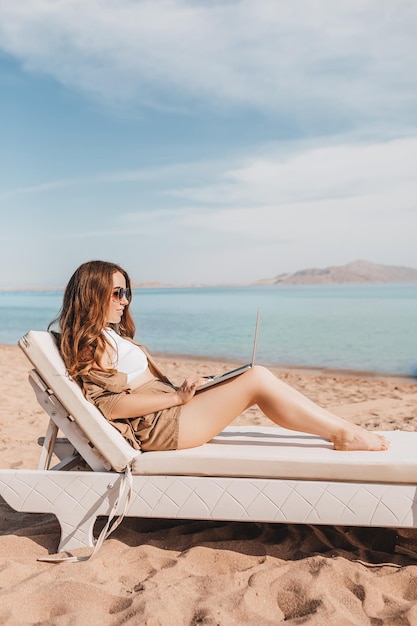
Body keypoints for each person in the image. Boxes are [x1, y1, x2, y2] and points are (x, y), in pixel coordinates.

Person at [51, 260, 389, 453]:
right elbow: (111, 407)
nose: (126, 300)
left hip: (168, 412)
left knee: (252, 374)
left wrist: (188, 390)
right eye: (118, 292)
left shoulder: (110, 335)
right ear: (93, 294)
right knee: (256, 379)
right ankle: (342, 435)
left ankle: (342, 430)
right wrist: (177, 398)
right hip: (160, 427)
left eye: (128, 292)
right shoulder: (94, 344)